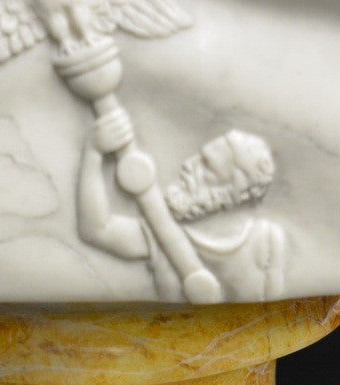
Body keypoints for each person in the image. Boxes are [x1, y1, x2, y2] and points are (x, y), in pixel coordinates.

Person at [77, 110, 286, 301]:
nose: (187, 165)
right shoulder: (158, 232)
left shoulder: (267, 241)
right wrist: (93, 153)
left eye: (206, 165)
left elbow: (273, 312)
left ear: (234, 187)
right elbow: (97, 230)